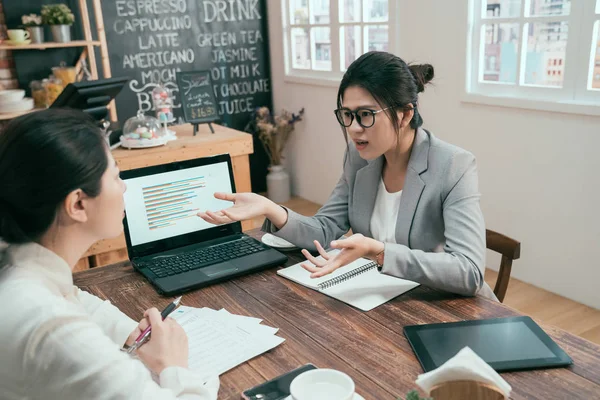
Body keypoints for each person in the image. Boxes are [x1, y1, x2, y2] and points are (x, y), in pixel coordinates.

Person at [198, 51, 495, 299]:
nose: (353, 128)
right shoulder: (359, 157)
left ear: (405, 114)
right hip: (387, 300)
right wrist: (272, 209)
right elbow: (325, 229)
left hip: (445, 306)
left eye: (366, 115)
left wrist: (380, 252)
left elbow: (468, 271)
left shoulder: (454, 165)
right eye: (347, 114)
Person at [0, 109, 219, 399]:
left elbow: (72, 297)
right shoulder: (52, 328)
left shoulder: (18, 267)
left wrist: (132, 334)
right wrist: (174, 365)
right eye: (116, 176)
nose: (124, 186)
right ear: (77, 204)